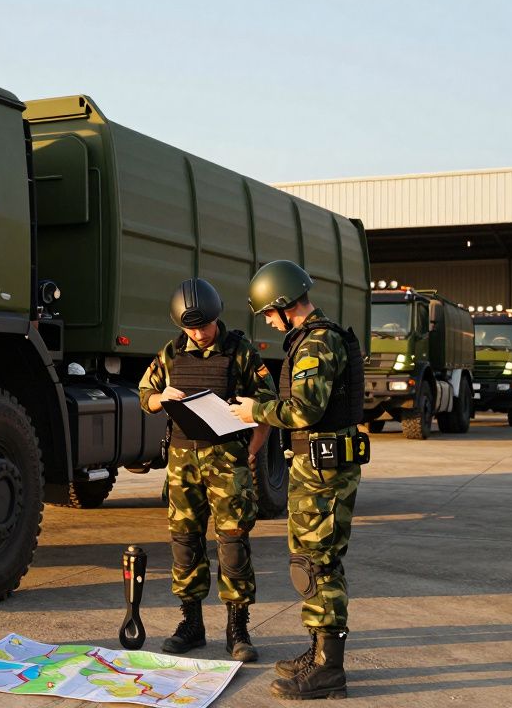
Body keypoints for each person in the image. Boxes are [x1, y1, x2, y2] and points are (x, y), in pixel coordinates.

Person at [231, 260, 366, 701]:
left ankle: (329, 670)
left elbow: (303, 411)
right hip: (319, 469)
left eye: (269, 312)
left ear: (286, 304)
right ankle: (318, 653)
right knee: (313, 562)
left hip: (323, 474)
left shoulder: (316, 345)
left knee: (317, 564)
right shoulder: (316, 339)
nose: (268, 321)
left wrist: (257, 411)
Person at [138, 278, 275, 661]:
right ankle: (191, 624)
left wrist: (252, 450)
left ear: (217, 317)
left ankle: (238, 627)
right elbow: (144, 394)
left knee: (232, 545)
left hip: (227, 461)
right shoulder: (170, 352)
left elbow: (267, 403)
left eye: (204, 325)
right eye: (190, 327)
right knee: (185, 544)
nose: (198, 333)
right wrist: (159, 397)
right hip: (182, 463)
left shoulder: (240, 351)